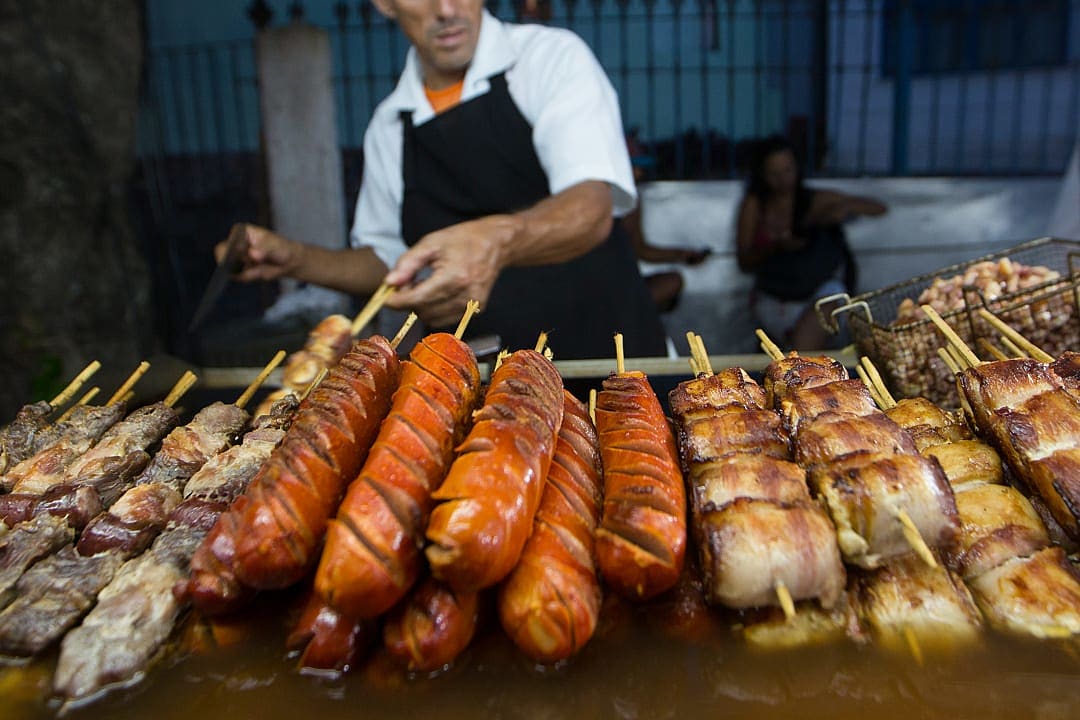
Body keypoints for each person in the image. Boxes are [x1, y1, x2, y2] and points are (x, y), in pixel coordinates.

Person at [217, 0, 667, 361]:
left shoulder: (548, 58)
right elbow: (391, 261)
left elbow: (590, 207)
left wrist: (497, 240)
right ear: (385, 4)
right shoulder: (390, 126)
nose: (446, 9)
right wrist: (295, 259)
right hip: (478, 390)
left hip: (607, 364)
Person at [735, 134, 887, 350]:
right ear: (762, 175)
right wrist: (776, 247)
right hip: (774, 299)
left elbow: (879, 208)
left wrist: (842, 209)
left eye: (787, 170)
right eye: (774, 173)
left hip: (818, 294)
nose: (782, 179)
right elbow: (744, 261)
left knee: (814, 328)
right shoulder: (755, 205)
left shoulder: (815, 200)